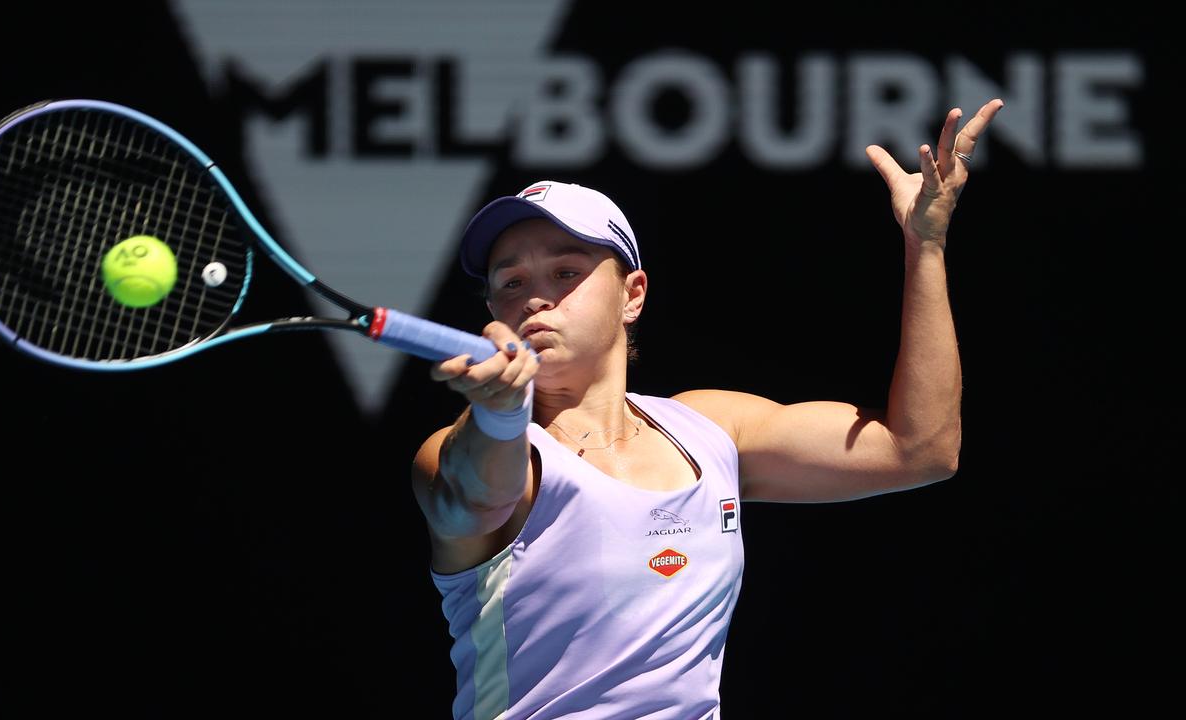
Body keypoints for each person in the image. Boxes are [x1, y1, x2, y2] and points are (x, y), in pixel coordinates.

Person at [412, 99, 1006, 719]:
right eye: (511, 283)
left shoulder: (710, 428)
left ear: (632, 296)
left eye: (565, 272)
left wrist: (926, 246)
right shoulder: (475, 450)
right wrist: (502, 413)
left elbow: (920, 450)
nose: (535, 298)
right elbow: (476, 495)